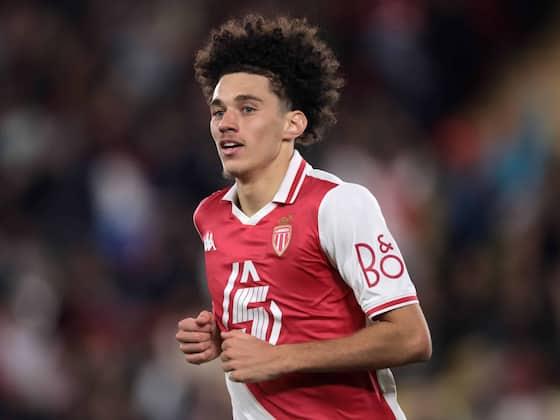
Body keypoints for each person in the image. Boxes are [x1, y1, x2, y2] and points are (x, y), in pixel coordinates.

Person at [176, 14, 431, 420]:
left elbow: (411, 338)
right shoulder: (210, 216)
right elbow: (281, 316)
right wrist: (217, 336)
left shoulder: (338, 205)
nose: (226, 124)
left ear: (292, 123)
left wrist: (281, 357)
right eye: (218, 111)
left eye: (248, 109)